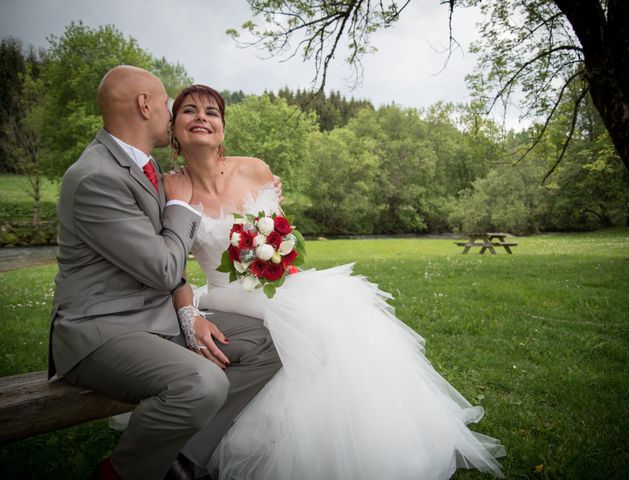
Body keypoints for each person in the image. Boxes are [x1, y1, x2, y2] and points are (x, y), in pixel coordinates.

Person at [170, 83, 506, 480]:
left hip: (276, 282)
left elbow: (280, 233)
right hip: (225, 293)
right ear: (173, 128)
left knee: (343, 315)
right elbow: (169, 263)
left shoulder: (255, 169)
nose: (201, 119)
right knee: (307, 325)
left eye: (211, 112)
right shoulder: (170, 187)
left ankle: (367, 439)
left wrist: (275, 255)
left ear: (223, 128)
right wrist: (189, 314)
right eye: (189, 111)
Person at [48, 66, 281, 480]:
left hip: (156, 316)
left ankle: (186, 456)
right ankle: (121, 473)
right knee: (203, 383)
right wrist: (182, 208)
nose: (176, 115)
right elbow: (163, 265)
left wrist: (188, 314)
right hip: (103, 329)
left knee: (270, 342)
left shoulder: (142, 167)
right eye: (170, 106)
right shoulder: (97, 177)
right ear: (145, 105)